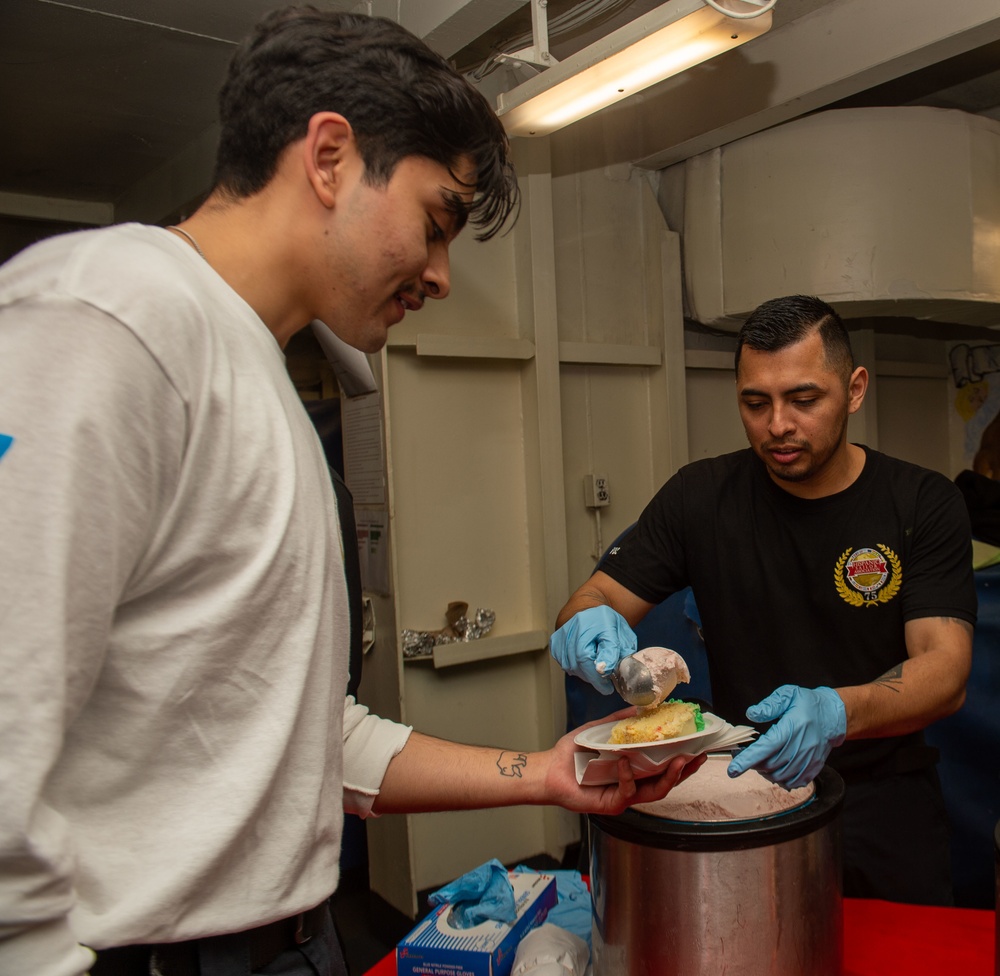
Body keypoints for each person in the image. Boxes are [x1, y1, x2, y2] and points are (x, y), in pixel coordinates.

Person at [0, 8, 703, 976]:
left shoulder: (265, 377)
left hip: (286, 941)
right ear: (330, 156)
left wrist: (545, 772)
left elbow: (297, 735)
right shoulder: (112, 317)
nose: (442, 274)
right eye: (436, 222)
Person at [551, 294, 976, 905]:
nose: (778, 424)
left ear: (855, 389)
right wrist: (588, 624)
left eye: (804, 400)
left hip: (887, 804)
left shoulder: (919, 503)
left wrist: (836, 711)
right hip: (746, 791)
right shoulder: (700, 498)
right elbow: (594, 596)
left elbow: (946, 669)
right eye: (756, 402)